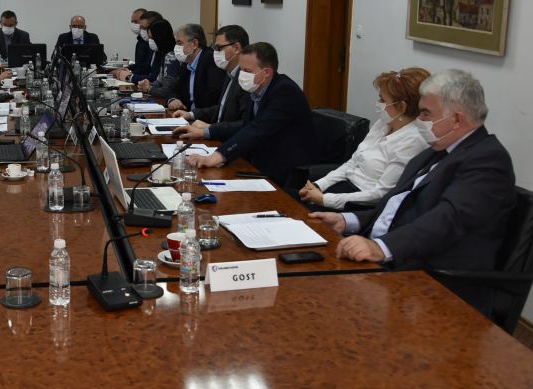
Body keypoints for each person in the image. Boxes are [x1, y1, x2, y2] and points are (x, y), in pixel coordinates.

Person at [309, 69, 516, 314]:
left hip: (434, 281)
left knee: (323, 304)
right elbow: (398, 204)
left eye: (426, 114)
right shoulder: (437, 150)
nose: (419, 121)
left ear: (457, 120)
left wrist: (381, 247)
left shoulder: (488, 161)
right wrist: (348, 220)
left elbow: (447, 219)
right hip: (396, 259)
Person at [298, 68, 430, 210]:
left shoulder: (412, 142)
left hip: (361, 203)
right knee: (293, 196)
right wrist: (319, 185)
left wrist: (325, 199)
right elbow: (352, 162)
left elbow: (380, 194)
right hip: (344, 186)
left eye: (382, 99)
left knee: (298, 212)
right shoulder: (384, 123)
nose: (378, 103)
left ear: (402, 107)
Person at [188, 42, 316, 185]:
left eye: (247, 71)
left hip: (286, 172)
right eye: (241, 70)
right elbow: (246, 125)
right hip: (260, 162)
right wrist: (207, 132)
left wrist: (217, 156)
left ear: (266, 73)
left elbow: (257, 129)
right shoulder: (256, 89)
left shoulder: (285, 92)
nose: (242, 76)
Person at [173, 25, 250, 138]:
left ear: (236, 48)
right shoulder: (230, 73)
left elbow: (244, 124)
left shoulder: (246, 79)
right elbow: (221, 109)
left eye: (219, 48)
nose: (215, 52)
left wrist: (210, 128)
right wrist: (191, 114)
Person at [164, 23, 225, 111]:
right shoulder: (186, 62)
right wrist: (173, 100)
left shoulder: (211, 60)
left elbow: (212, 98)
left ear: (194, 43)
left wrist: (192, 114)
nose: (176, 47)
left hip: (203, 117)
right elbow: (174, 89)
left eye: (179, 43)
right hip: (188, 114)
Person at [113, 10, 164, 83]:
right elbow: (140, 65)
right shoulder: (141, 42)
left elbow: (150, 73)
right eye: (132, 22)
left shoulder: (157, 47)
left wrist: (129, 75)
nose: (135, 25)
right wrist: (126, 69)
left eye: (136, 22)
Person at [136, 18, 178, 98]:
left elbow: (167, 91)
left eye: (152, 38)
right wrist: (148, 84)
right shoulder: (162, 52)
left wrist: (148, 88)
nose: (150, 41)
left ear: (160, 38)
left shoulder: (172, 56)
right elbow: (160, 81)